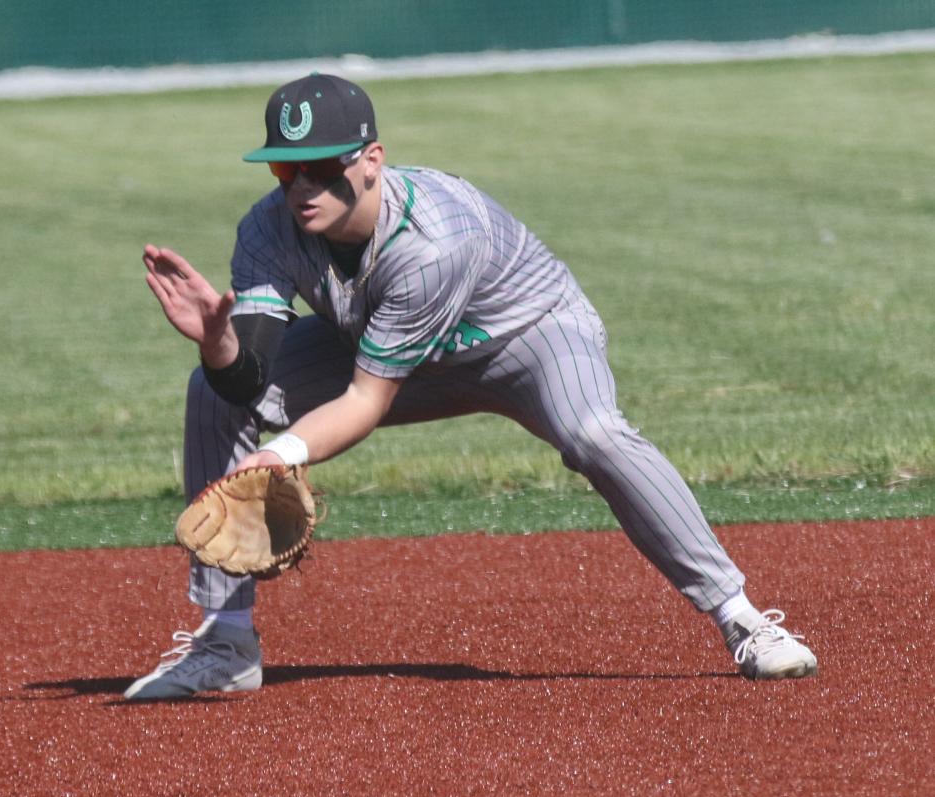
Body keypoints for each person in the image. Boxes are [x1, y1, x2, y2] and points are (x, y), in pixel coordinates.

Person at [126, 73, 817, 700]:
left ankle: (743, 619)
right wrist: (218, 343)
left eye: (321, 166)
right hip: (390, 350)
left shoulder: (432, 238)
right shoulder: (267, 229)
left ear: (371, 161)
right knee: (209, 390)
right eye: (285, 167)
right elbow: (246, 376)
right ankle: (226, 642)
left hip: (528, 338)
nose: (300, 185)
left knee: (595, 434)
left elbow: (367, 401)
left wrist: (284, 454)